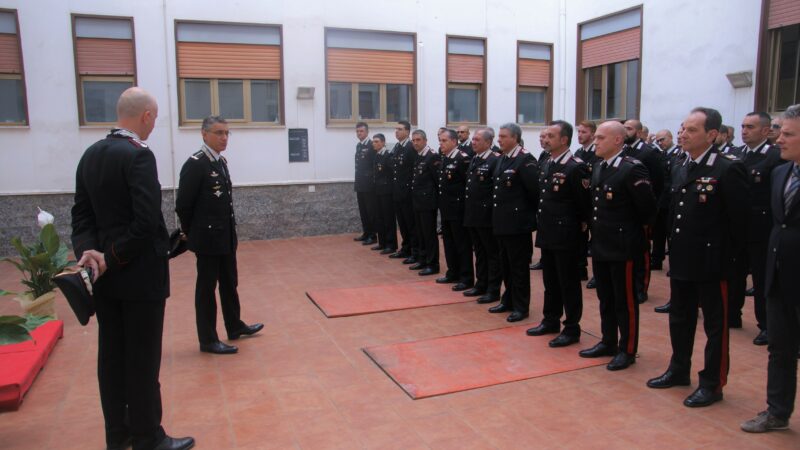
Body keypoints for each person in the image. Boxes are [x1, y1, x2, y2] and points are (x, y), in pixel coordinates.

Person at [71, 87, 194, 450]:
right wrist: (111, 256)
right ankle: (147, 436)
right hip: (138, 278)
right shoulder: (139, 156)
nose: (154, 125)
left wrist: (90, 253)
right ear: (145, 116)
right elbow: (144, 223)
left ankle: (117, 434)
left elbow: (81, 215)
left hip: (105, 281)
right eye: (154, 118)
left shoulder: (90, 155)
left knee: (111, 357)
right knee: (142, 359)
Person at [646, 107, 748, 408]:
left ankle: (712, 383)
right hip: (682, 258)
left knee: (715, 326)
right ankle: (679, 369)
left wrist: (730, 265)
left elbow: (740, 222)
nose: (683, 134)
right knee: (680, 318)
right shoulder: (680, 163)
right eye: (682, 128)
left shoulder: (727, 168)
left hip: (713, 262)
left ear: (712, 135)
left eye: (691, 130)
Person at [175, 116, 263, 355]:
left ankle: (234, 325)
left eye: (226, 133)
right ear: (204, 134)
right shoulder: (196, 164)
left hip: (225, 237)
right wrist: (193, 233)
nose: (224, 138)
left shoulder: (220, 161)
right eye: (218, 133)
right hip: (207, 239)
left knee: (229, 282)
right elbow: (183, 205)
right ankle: (208, 339)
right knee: (206, 290)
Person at [741, 104, 800, 433]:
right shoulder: (781, 172)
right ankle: (777, 411)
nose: (780, 139)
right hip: (779, 275)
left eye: (789, 134)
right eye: (780, 131)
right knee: (780, 349)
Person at [578, 121, 656, 371]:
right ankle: (608, 341)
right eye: (596, 137)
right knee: (606, 297)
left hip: (623, 246)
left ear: (618, 141)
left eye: (601, 138)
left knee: (626, 301)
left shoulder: (632, 169)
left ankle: (628, 349)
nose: (596, 142)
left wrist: (629, 233)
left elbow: (647, 210)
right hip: (601, 243)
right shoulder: (600, 166)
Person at [527, 121, 591, 347]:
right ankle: (550, 319)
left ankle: (572, 327)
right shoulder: (547, 163)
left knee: (568, 282)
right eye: (544, 136)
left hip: (566, 234)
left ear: (564, 140)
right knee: (550, 280)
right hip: (548, 231)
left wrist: (580, 227)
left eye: (550, 136)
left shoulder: (576, 167)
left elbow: (584, 204)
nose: (545, 140)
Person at [730, 112, 784, 342]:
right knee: (734, 272)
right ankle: (732, 314)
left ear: (765, 130)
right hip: (737, 226)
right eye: (742, 126)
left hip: (761, 227)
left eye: (750, 127)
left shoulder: (775, 157)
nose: (744, 131)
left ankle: (766, 325)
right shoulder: (735, 154)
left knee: (762, 279)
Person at [488, 123, 540, 322]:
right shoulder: (502, 158)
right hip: (501, 222)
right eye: (499, 136)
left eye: (503, 136)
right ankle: (507, 300)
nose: (499, 140)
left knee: (518, 267)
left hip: (517, 225)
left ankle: (521, 306)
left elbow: (534, 193)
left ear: (515, 138)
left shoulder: (525, 160)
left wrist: (528, 219)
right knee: (506, 265)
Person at [623, 119, 665, 303]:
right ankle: (629, 284)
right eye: (624, 129)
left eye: (629, 129)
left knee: (642, 253)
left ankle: (641, 287)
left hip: (641, 211)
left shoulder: (649, 153)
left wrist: (649, 214)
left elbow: (657, 184)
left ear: (639, 133)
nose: (626, 132)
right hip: (625, 212)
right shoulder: (624, 150)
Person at [463, 128, 502, 304]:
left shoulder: (494, 160)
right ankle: (481, 283)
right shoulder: (475, 158)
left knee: (491, 253)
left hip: (486, 215)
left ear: (488, 142)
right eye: (473, 139)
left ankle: (493, 289)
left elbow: (494, 190)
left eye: (478, 140)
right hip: (473, 214)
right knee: (479, 251)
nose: (474, 142)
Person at [436, 129, 474, 290]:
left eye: (444, 141)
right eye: (440, 141)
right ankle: (453, 272)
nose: (441, 144)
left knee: (462, 244)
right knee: (449, 243)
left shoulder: (462, 159)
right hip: (446, 208)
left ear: (453, 141)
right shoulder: (445, 158)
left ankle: (466, 277)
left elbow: (467, 186)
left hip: (458, 209)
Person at [409, 130, 441, 275]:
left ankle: (432, 264)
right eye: (413, 140)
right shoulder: (418, 156)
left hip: (428, 203)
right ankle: (423, 260)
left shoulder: (432, 156)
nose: (415, 143)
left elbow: (436, 181)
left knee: (429, 234)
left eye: (418, 140)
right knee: (420, 233)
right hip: (417, 201)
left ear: (425, 140)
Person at [389, 120, 418, 263]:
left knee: (410, 223)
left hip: (407, 192)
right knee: (402, 223)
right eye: (396, 129)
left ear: (407, 131)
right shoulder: (397, 146)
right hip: (398, 191)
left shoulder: (410, 147)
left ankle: (414, 251)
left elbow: (413, 170)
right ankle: (406, 248)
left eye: (400, 129)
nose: (397, 131)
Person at [575, 120, 598, 284]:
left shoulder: (598, 152)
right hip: (582, 202)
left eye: (584, 132)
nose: (580, 135)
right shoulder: (579, 153)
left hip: (595, 202)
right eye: (579, 132)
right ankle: (580, 268)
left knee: (597, 240)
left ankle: (598, 275)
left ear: (592, 134)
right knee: (580, 238)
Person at [372, 133, 397, 255]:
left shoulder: (388, 156)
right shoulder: (377, 155)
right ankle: (382, 242)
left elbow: (393, 173)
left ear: (383, 142)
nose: (374, 144)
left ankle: (391, 245)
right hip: (378, 191)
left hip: (387, 191)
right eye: (373, 142)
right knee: (379, 217)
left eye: (377, 141)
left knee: (388, 218)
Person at [353, 122, 377, 245]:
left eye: (361, 131)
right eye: (357, 131)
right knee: (363, 210)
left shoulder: (372, 145)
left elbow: (374, 165)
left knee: (370, 210)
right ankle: (366, 232)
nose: (359, 133)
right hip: (360, 183)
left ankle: (373, 235)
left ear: (367, 132)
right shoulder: (359, 146)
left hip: (369, 185)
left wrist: (373, 181)